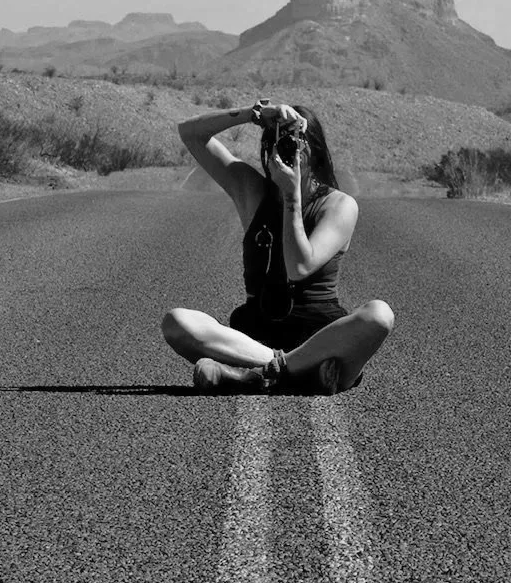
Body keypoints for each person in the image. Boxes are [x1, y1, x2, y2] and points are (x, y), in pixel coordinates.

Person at [162, 99, 395, 394]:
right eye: (278, 143)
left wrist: (291, 198)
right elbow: (190, 133)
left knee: (379, 315)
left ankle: (249, 375)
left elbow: (299, 268)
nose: (286, 152)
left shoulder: (339, 205)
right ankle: (293, 372)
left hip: (320, 337)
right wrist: (253, 114)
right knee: (176, 322)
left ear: (316, 150)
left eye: (295, 144)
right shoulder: (252, 191)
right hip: (256, 338)